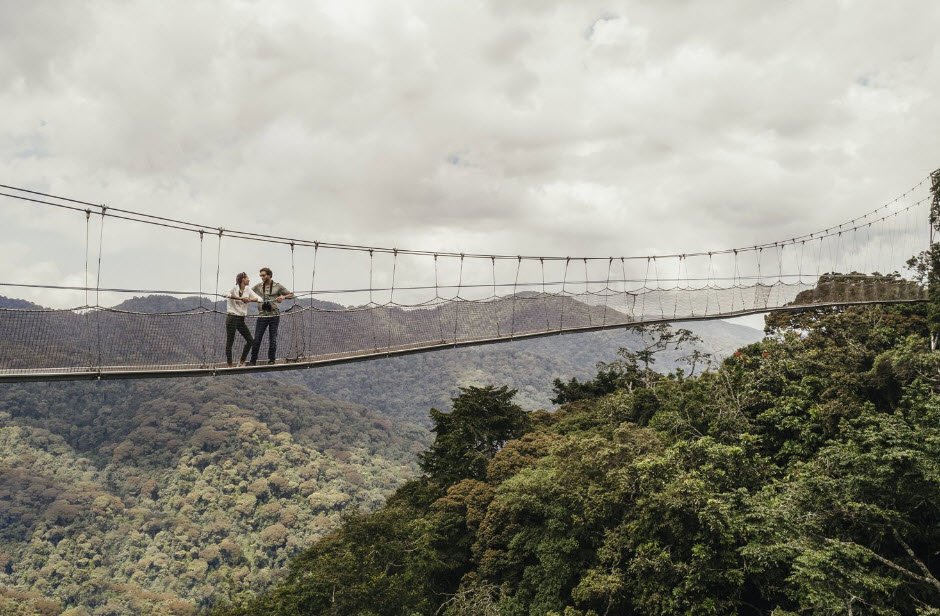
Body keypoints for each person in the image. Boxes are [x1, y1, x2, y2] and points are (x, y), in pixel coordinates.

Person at [249, 267, 294, 365]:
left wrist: (283, 296)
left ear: (269, 275)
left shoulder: (277, 286)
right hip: (262, 316)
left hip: (274, 315)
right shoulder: (258, 286)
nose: (262, 277)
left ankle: (272, 360)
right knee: (257, 338)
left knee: (272, 338)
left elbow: (292, 295)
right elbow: (248, 293)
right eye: (261, 275)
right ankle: (253, 360)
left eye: (264, 275)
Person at [226, 272, 262, 366]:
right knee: (230, 341)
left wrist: (249, 299)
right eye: (247, 278)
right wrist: (240, 298)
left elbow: (259, 299)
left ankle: (241, 361)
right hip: (232, 317)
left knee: (250, 340)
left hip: (241, 319)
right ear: (243, 279)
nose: (249, 280)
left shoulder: (247, 289)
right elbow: (225, 294)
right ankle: (230, 365)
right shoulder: (234, 288)